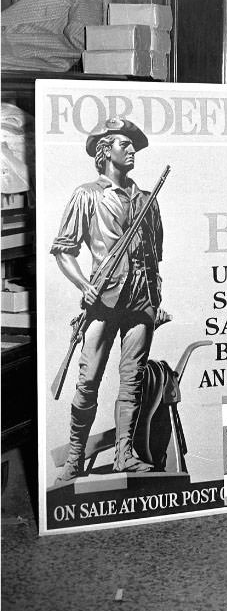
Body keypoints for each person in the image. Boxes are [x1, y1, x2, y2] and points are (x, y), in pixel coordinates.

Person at [52, 117, 167, 482]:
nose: (131, 149)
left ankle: (124, 455)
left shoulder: (148, 200)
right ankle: (73, 460)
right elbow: (63, 250)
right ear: (105, 151)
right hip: (104, 300)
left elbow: (154, 256)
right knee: (88, 381)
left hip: (141, 301)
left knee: (132, 380)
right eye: (123, 143)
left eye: (133, 144)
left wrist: (156, 300)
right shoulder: (87, 195)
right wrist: (83, 285)